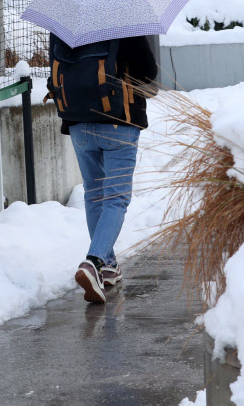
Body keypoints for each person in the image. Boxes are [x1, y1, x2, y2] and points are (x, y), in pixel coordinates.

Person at [49, 34, 158, 304]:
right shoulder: (125, 25)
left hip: (78, 123)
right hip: (119, 121)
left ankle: (108, 266)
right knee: (116, 198)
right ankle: (94, 262)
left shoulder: (66, 26)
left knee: (94, 193)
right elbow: (148, 73)